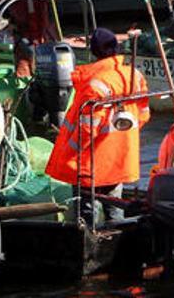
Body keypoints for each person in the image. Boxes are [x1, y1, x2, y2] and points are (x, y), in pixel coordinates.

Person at [45, 28, 150, 221]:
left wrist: (69, 156)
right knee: (115, 210)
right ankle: (118, 244)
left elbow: (86, 129)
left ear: (93, 52)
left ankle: (90, 246)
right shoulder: (135, 77)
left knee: (87, 215)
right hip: (120, 158)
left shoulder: (93, 84)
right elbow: (143, 116)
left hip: (91, 163)